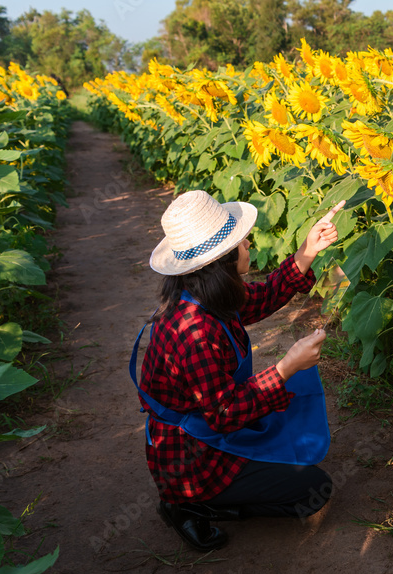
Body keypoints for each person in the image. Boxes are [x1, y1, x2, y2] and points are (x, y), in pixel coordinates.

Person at [135, 190, 345, 551]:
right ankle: (186, 505)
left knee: (290, 430)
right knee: (313, 490)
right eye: (239, 240)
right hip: (192, 455)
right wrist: (286, 366)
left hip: (207, 425)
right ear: (222, 260)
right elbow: (223, 413)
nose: (248, 242)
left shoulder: (206, 293)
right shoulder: (193, 331)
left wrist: (308, 251)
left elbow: (263, 297)